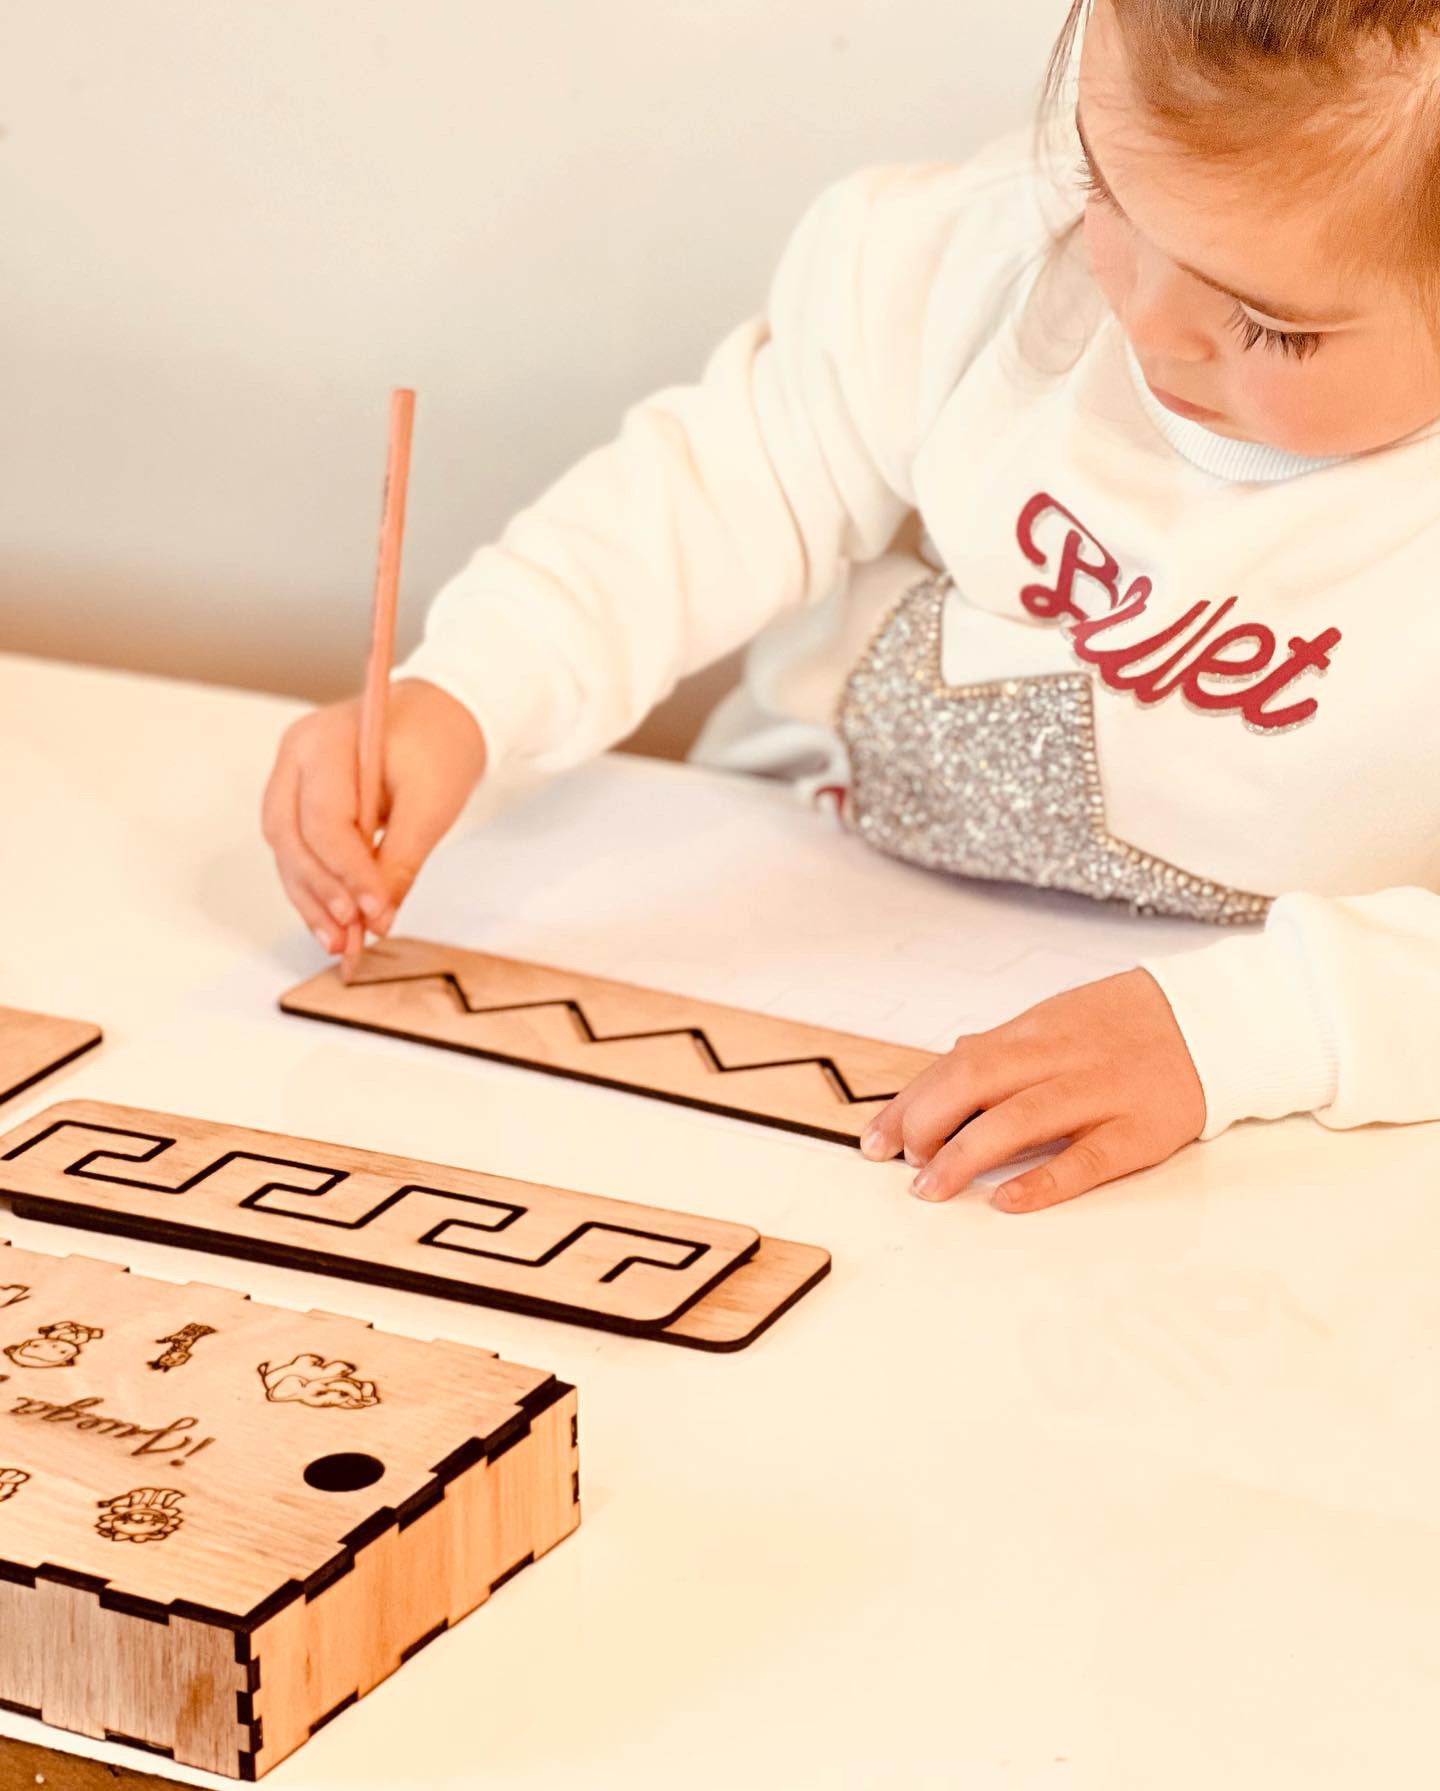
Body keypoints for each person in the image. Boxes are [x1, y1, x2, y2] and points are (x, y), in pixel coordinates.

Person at [263, 0, 1440, 1212]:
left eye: (1269, 328)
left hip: (1256, 1152)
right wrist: (470, 689)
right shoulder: (986, 261)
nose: (1143, 319)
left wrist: (1251, 1032)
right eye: (1109, 192)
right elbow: (738, 473)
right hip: (774, 938)